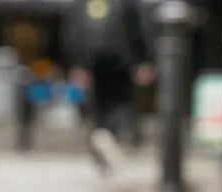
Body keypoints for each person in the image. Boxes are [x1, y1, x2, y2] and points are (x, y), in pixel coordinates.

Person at [63, 0, 155, 172]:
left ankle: (103, 138)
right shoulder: (126, 4)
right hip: (123, 61)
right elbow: (139, 30)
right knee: (122, 103)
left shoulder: (81, 4)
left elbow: (72, 32)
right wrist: (143, 61)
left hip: (93, 62)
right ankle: (114, 138)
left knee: (100, 107)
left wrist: (77, 64)